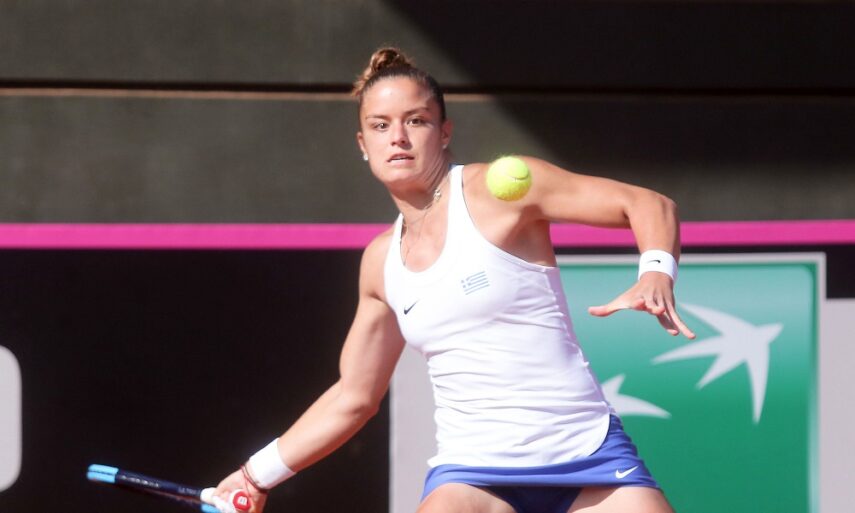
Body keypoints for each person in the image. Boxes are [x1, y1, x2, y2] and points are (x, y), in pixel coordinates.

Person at [212, 47, 695, 513]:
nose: (397, 137)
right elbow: (353, 397)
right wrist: (255, 476)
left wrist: (656, 272)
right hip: (474, 475)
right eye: (380, 125)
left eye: (415, 121)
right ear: (363, 144)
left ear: (444, 132)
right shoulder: (380, 262)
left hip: (587, 455)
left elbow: (649, 204)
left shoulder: (501, 191)